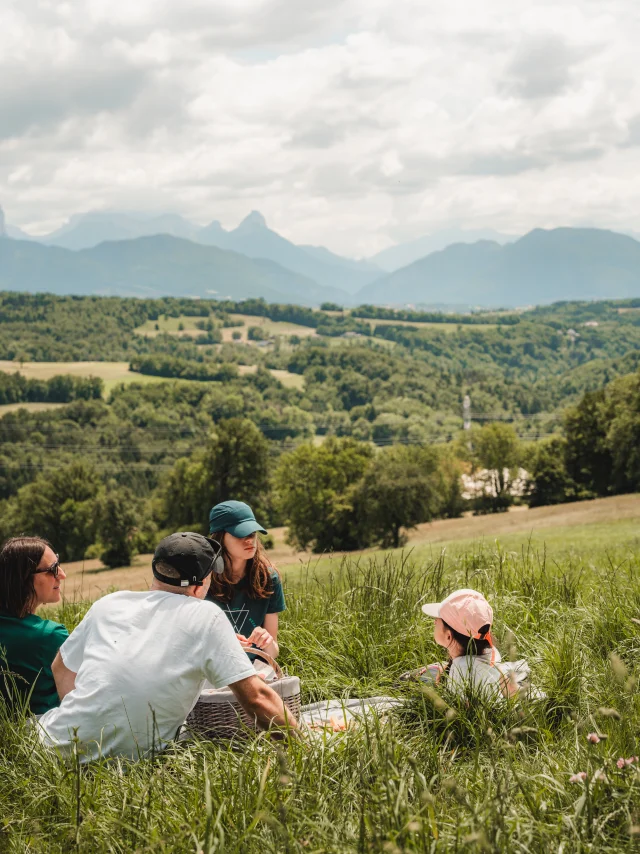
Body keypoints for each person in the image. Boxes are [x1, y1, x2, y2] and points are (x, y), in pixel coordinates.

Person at [36, 532, 297, 763]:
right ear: (198, 586)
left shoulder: (109, 603)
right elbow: (256, 698)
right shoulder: (206, 615)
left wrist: (91, 719)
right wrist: (304, 747)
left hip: (54, 749)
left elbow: (61, 667)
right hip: (134, 762)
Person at [207, 501, 285, 660]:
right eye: (240, 534)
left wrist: (267, 641)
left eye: (252, 533)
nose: (249, 540)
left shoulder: (268, 579)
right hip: (213, 671)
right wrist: (221, 644)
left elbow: (273, 653)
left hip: (255, 671)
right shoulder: (202, 580)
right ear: (220, 538)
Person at [418, 588, 529, 699]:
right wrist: (447, 668)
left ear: (448, 636)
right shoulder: (489, 651)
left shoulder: (461, 676)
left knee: (418, 680)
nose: (434, 621)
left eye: (437, 620)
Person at [0, 536, 68, 715]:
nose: (62, 574)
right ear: (24, 578)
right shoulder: (49, 636)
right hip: (44, 734)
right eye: (52, 569)